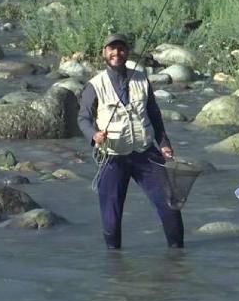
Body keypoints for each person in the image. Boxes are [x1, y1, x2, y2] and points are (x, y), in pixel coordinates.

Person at [77, 33, 183, 249]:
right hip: (112, 158)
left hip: (145, 154)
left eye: (121, 49)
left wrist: (164, 143)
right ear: (104, 53)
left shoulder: (141, 79)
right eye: (112, 49)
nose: (117, 53)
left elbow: (154, 115)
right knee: (112, 220)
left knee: (170, 206)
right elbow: (83, 118)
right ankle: (115, 265)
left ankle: (178, 257)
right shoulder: (94, 85)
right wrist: (94, 135)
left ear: (127, 52)